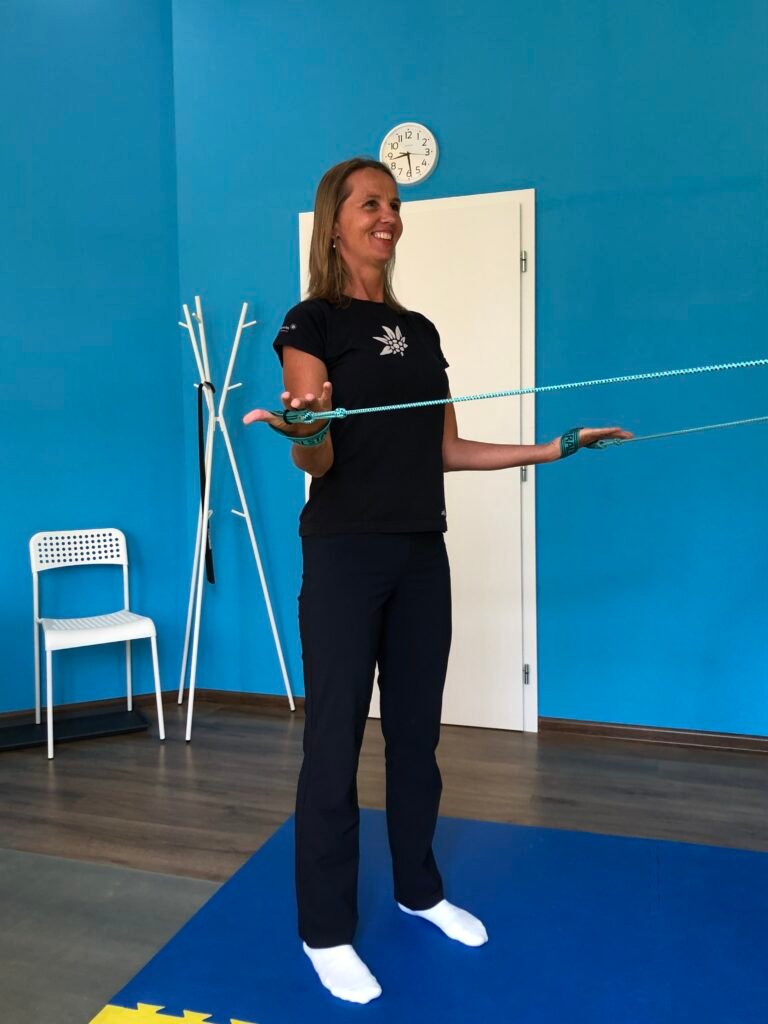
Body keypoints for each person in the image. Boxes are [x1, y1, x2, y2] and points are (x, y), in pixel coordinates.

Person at [244, 157, 632, 1004]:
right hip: (346, 555)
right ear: (335, 223)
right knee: (334, 742)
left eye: (394, 204)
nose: (388, 216)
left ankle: (419, 891)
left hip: (422, 553)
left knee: (416, 737)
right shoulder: (310, 322)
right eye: (370, 204)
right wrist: (307, 431)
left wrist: (552, 449)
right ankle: (325, 932)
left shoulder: (419, 330)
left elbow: (445, 448)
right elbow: (317, 457)